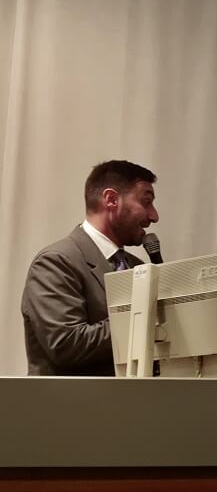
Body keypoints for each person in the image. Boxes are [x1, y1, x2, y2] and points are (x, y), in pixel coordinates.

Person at [22, 160, 159, 376]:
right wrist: (145, 319)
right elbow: (66, 344)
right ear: (111, 200)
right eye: (146, 202)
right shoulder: (56, 262)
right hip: (74, 398)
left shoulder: (138, 268)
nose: (154, 216)